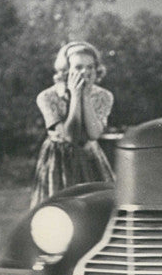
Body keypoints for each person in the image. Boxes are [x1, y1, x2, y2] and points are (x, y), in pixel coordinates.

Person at [30, 41, 115, 208]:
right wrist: (75, 96)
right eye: (78, 67)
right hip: (58, 160)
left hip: (90, 158)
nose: (86, 72)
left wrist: (85, 97)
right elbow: (70, 136)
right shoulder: (47, 97)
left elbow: (93, 134)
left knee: (98, 212)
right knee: (58, 215)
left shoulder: (104, 96)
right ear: (66, 70)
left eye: (90, 67)